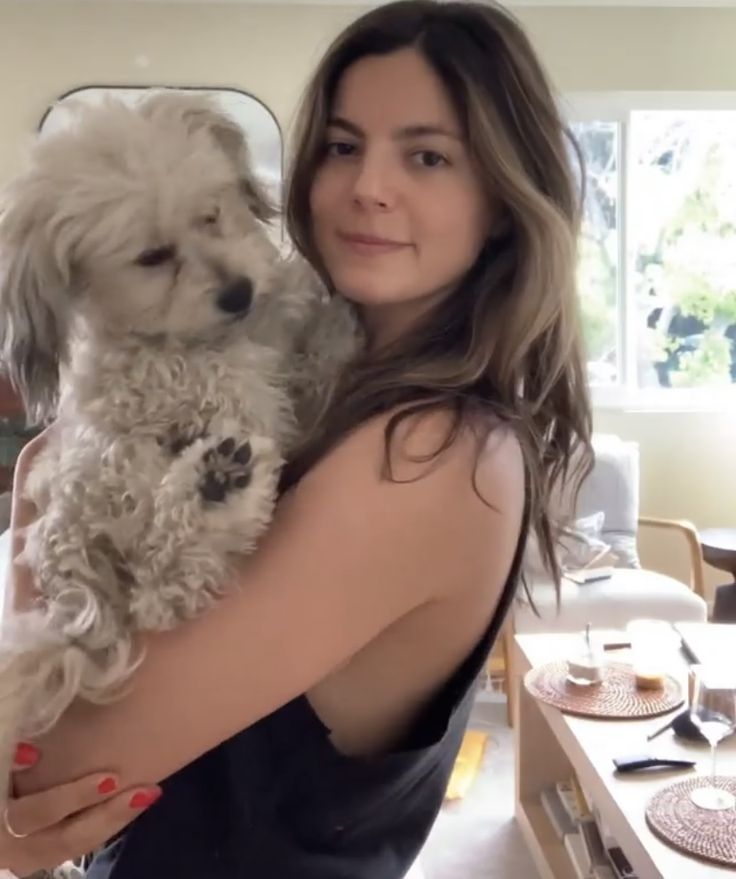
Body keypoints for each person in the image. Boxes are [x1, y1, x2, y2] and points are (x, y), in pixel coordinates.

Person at [1, 1, 592, 876]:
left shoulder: (429, 455)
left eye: (427, 155)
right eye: (345, 145)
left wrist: (33, 517)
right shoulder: (324, 388)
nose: (367, 187)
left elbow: (49, 762)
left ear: (504, 201)